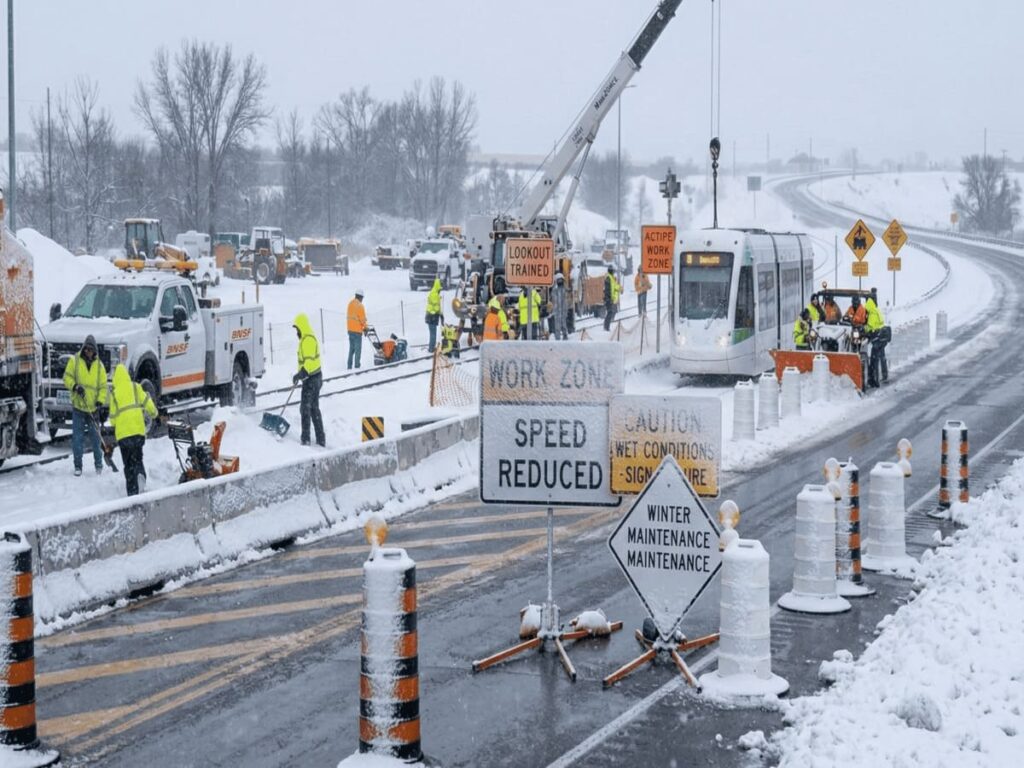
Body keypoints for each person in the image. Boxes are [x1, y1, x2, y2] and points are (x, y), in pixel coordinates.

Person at [62, 334, 109, 476]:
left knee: (96, 439)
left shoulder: (99, 366)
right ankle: (78, 466)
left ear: (95, 351)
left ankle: (99, 465)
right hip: (78, 408)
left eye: (91, 350)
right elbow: (66, 377)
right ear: (84, 349)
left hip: (93, 409)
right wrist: (75, 386)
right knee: (77, 439)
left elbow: (103, 386)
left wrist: (100, 400)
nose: (89, 352)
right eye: (87, 349)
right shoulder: (74, 361)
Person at [108, 363, 157, 496]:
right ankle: (140, 474)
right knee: (138, 458)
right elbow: (148, 402)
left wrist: (118, 422)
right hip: (138, 432)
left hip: (124, 436)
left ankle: (132, 490)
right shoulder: (136, 387)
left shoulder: (114, 394)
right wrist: (154, 413)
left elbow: (112, 419)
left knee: (128, 463)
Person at [293, 313, 326, 446]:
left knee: (306, 409)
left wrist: (301, 374)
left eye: (297, 329)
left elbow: (309, 362)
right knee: (313, 409)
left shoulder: (307, 340)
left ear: (302, 327)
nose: (296, 332)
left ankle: (305, 439)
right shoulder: (306, 339)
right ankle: (320, 438)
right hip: (313, 378)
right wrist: (300, 374)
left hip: (312, 379)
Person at [865, 288, 888, 387]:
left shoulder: (871, 313)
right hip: (881, 336)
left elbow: (870, 326)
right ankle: (884, 375)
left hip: (876, 337)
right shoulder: (876, 310)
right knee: (881, 357)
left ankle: (875, 379)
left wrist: (865, 329)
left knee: (874, 359)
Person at [347, 289, 367, 369]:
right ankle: (357, 366)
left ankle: (349, 366)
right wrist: (365, 328)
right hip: (357, 332)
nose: (362, 300)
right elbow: (362, 320)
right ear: (360, 297)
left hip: (350, 331)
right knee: (358, 350)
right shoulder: (360, 306)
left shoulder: (350, 304)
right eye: (362, 298)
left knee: (351, 349)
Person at [425, 277, 442, 352]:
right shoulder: (435, 294)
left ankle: (431, 347)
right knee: (433, 334)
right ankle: (431, 349)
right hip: (432, 317)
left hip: (430, 316)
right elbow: (436, 307)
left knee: (432, 333)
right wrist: (439, 313)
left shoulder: (433, 292)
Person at [551, 273, 569, 341]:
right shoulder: (554, 290)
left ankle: (565, 336)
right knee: (557, 326)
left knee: (564, 324)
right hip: (557, 311)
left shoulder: (565, 289)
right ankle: (557, 338)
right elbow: (553, 300)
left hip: (563, 311)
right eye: (559, 280)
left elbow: (567, 299)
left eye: (561, 280)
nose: (560, 281)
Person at [603, 266, 621, 331]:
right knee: (610, 312)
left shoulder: (611, 278)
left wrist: (620, 288)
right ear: (611, 271)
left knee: (610, 312)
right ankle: (606, 327)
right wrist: (608, 298)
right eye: (613, 271)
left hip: (610, 299)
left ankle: (606, 326)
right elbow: (607, 290)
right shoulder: (608, 278)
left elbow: (614, 286)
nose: (614, 272)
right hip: (608, 298)